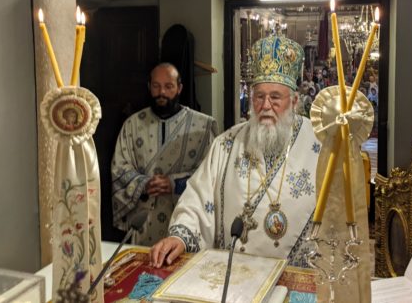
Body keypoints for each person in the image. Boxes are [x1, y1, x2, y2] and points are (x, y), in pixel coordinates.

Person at [150, 35, 321, 268]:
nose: (266, 106)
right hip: (233, 273)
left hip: (294, 276)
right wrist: (180, 236)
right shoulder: (227, 144)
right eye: (259, 96)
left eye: (275, 97)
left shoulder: (319, 144)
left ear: (294, 101)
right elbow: (198, 197)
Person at [111, 63, 218, 245]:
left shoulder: (204, 126)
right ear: (149, 87)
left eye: (168, 86)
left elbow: (212, 174)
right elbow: (119, 169)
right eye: (156, 86)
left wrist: (175, 184)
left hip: (186, 220)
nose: (162, 92)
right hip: (144, 223)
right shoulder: (132, 124)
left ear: (179, 88)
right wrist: (143, 184)